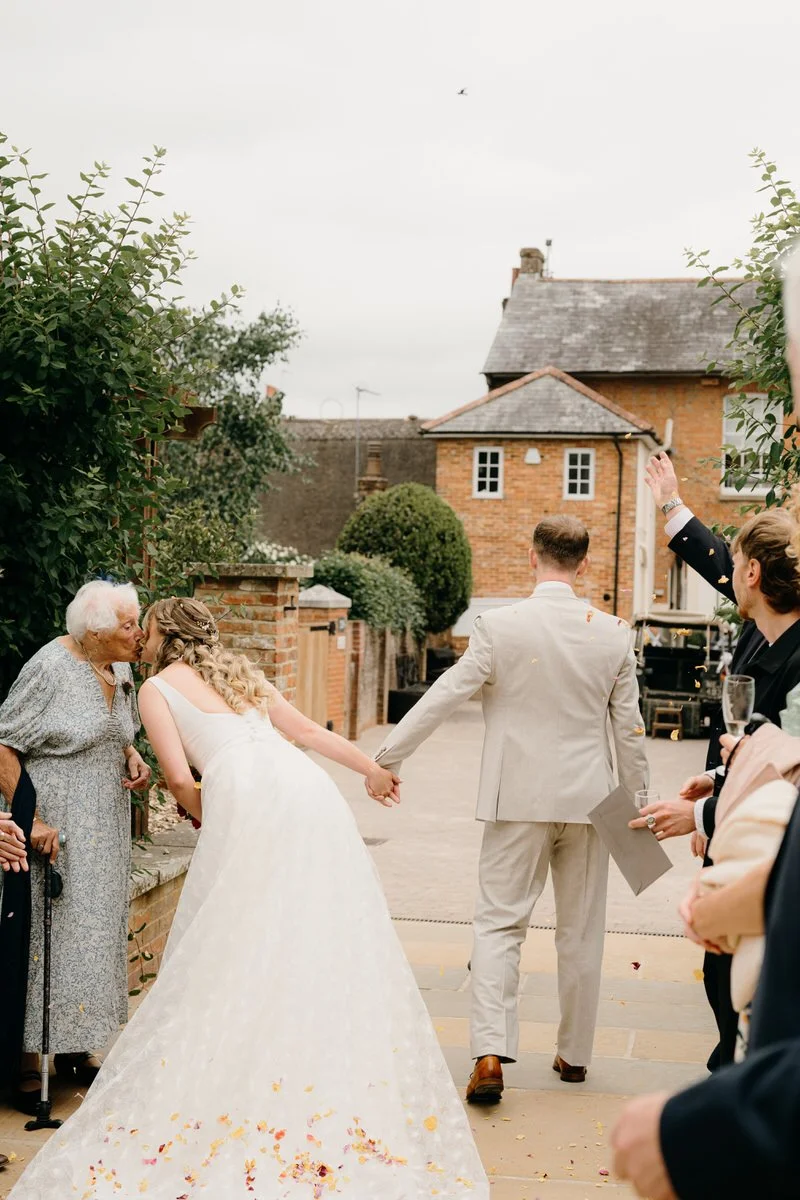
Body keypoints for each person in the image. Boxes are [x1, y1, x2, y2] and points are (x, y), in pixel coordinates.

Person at [9, 596, 488, 1199]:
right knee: (306, 934)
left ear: (163, 637)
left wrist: (213, 814)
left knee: (229, 943)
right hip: (308, 792)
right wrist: (371, 769)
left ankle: (241, 1073)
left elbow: (180, 779)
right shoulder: (242, 673)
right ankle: (309, 1072)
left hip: (246, 796)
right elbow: (310, 733)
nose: (142, 640)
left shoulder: (157, 689)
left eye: (147, 629)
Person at [374, 515, 649, 1101]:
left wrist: (390, 757)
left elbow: (446, 693)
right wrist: (641, 808)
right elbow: (629, 732)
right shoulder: (615, 633)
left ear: (532, 557)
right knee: (581, 932)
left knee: (500, 924)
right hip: (594, 798)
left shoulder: (499, 627)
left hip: (516, 797)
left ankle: (490, 1055)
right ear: (583, 564)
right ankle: (574, 1054)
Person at [630, 495, 800, 1069]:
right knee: (722, 973)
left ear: (753, 573)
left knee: (745, 984)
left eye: (736, 559)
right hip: (745, 842)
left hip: (777, 863)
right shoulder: (766, 634)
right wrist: (716, 777)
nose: (729, 568)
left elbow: (793, 771)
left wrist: (700, 818)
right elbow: (762, 749)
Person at [0, 580, 151, 1113]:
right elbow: (3, 743)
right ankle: (24, 1059)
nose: (139, 634)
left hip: (105, 825)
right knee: (53, 935)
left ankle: (78, 1044)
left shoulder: (121, 669)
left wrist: (131, 755)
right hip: (56, 823)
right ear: (95, 631)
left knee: (96, 929)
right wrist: (33, 817)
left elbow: (116, 730)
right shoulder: (48, 668)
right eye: (129, 626)